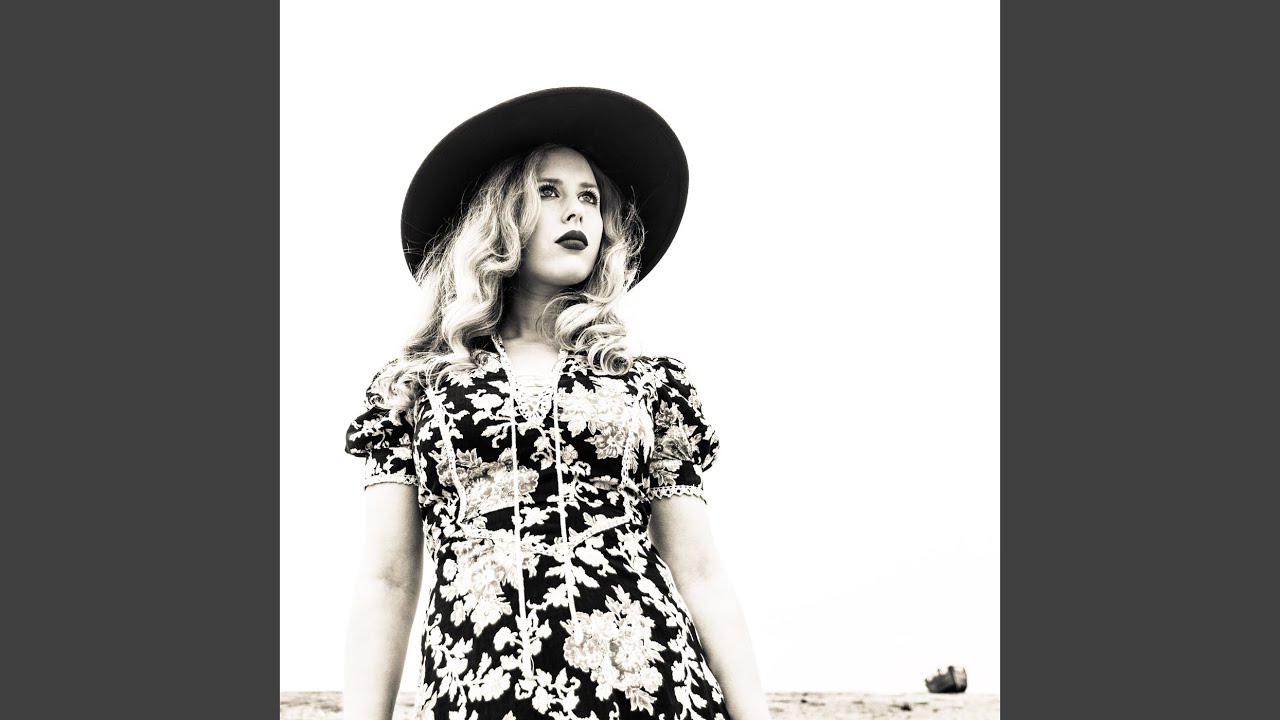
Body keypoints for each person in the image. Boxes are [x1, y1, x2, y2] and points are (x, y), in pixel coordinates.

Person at [343, 87, 771, 720]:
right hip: (481, 697)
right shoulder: (412, 386)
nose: (576, 211)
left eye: (590, 197)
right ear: (496, 217)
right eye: (548, 192)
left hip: (658, 692)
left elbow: (700, 570)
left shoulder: (649, 382)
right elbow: (388, 579)